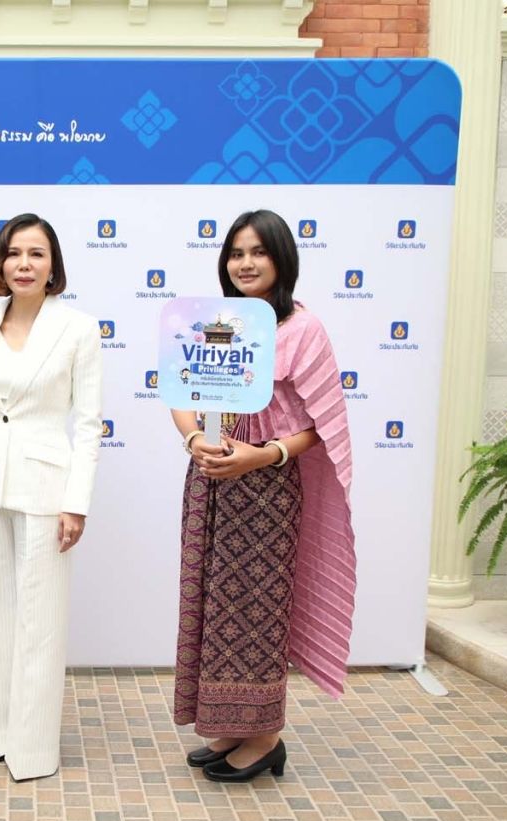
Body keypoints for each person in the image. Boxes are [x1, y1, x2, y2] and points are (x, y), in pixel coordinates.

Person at [170, 209, 355, 783]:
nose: (245, 263)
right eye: (236, 253)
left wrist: (262, 455)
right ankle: (231, 726)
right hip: (208, 480)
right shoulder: (214, 322)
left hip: (267, 489)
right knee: (211, 605)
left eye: (258, 252)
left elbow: (322, 426)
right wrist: (195, 439)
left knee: (256, 611)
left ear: (281, 259)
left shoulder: (304, 329)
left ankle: (266, 736)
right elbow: (180, 391)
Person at [0, 213, 103, 782]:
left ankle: (32, 751)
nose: (24, 264)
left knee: (40, 619)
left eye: (36, 254)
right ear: (0, 262)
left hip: (46, 487)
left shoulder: (79, 328)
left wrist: (76, 501)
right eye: (14, 253)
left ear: (53, 264)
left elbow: (89, 424)